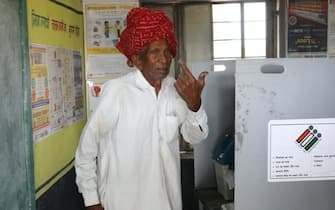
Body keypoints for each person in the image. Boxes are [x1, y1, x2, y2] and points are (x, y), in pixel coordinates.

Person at [75, 7, 209, 210]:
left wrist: (194, 105)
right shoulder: (117, 91)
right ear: (137, 59)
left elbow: (195, 138)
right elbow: (86, 148)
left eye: (167, 52)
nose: (164, 59)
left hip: (167, 202)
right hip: (122, 203)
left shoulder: (175, 90)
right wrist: (91, 200)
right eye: (155, 52)